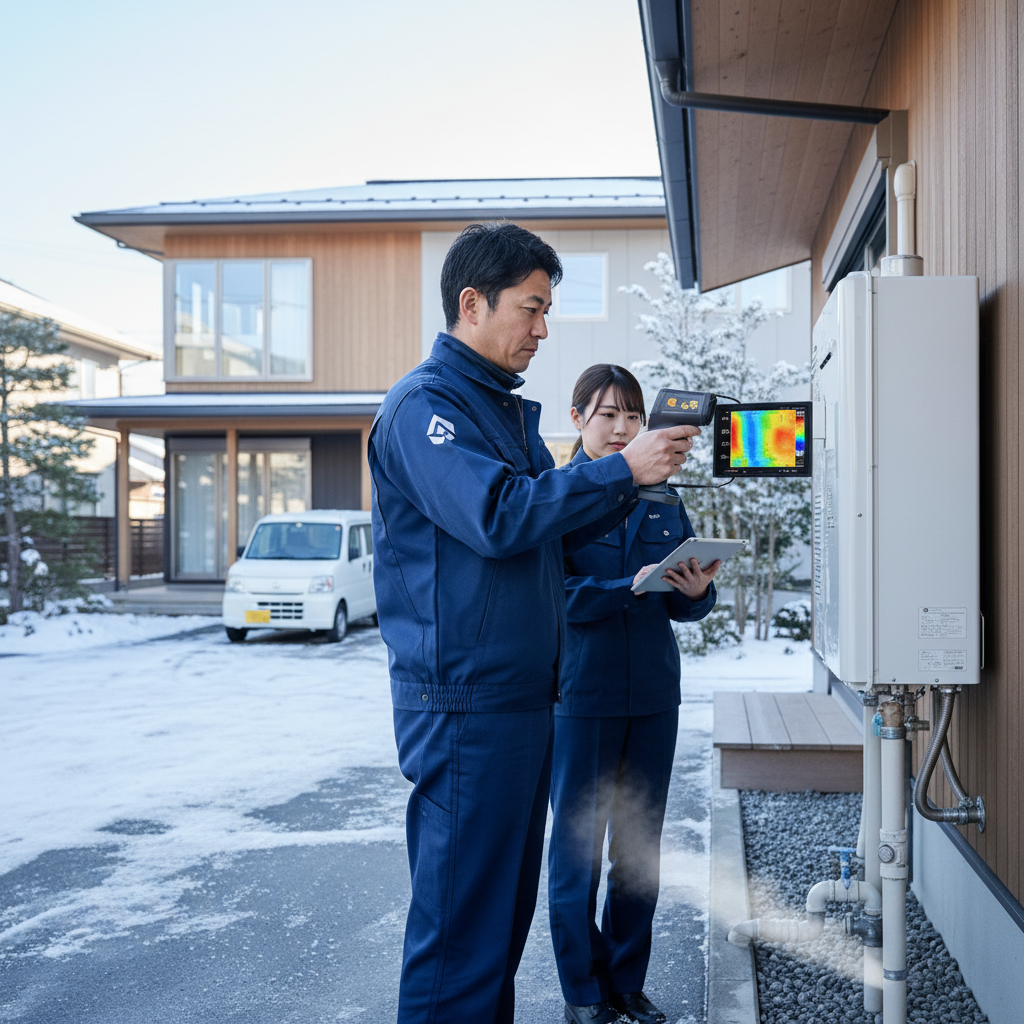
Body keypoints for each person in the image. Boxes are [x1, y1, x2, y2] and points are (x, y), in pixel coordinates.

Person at [368, 223, 704, 1024]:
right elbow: (499, 515)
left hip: (520, 700)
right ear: (471, 303)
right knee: (460, 940)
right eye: (532, 308)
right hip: (466, 707)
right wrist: (621, 469)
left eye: (548, 309)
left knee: (492, 938)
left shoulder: (493, 412)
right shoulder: (426, 409)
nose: (544, 329)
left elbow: (536, 541)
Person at [548, 365, 721, 1024]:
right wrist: (627, 586)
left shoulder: (665, 500)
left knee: (639, 849)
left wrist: (697, 592)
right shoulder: (557, 495)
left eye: (631, 416)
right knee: (577, 851)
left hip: (652, 694)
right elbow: (552, 599)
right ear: (577, 419)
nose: (621, 429)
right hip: (581, 696)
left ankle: (626, 981)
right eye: (607, 415)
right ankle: (583, 989)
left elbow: (685, 607)